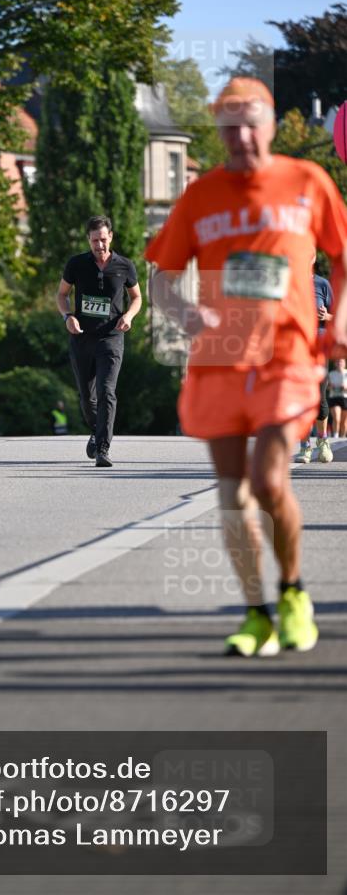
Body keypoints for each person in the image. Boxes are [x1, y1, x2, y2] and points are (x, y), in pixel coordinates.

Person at [145, 76, 347, 656]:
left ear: (271, 125)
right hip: (221, 359)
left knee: (268, 480)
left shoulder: (307, 182)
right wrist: (184, 313)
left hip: (289, 355)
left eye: (250, 123)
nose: (240, 136)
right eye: (228, 126)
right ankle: (257, 611)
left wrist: (340, 326)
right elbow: (160, 277)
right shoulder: (202, 195)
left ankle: (293, 593)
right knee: (233, 494)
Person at [57, 215, 142, 467]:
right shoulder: (76, 264)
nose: (99, 245)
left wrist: (129, 315)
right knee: (87, 396)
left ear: (111, 237)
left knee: (107, 391)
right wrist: (67, 317)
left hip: (111, 337)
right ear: (88, 240)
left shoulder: (124, 266)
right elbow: (62, 295)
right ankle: (96, 431)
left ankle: (103, 448)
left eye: (103, 240)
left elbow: (137, 297)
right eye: (95, 241)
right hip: (81, 337)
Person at [296, 254, 334, 463]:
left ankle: (323, 441)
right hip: (296, 349)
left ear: (311, 259)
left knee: (319, 397)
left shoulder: (322, 284)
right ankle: (304, 447)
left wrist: (327, 317)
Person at [328, 357, 347, 437]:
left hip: (345, 397)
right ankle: (335, 436)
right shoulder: (331, 374)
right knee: (336, 418)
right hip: (334, 397)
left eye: (341, 362)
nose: (339, 363)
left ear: (344, 363)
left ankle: (342, 437)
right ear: (335, 364)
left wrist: (345, 387)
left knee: (344, 421)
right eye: (338, 362)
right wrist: (330, 387)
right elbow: (327, 387)